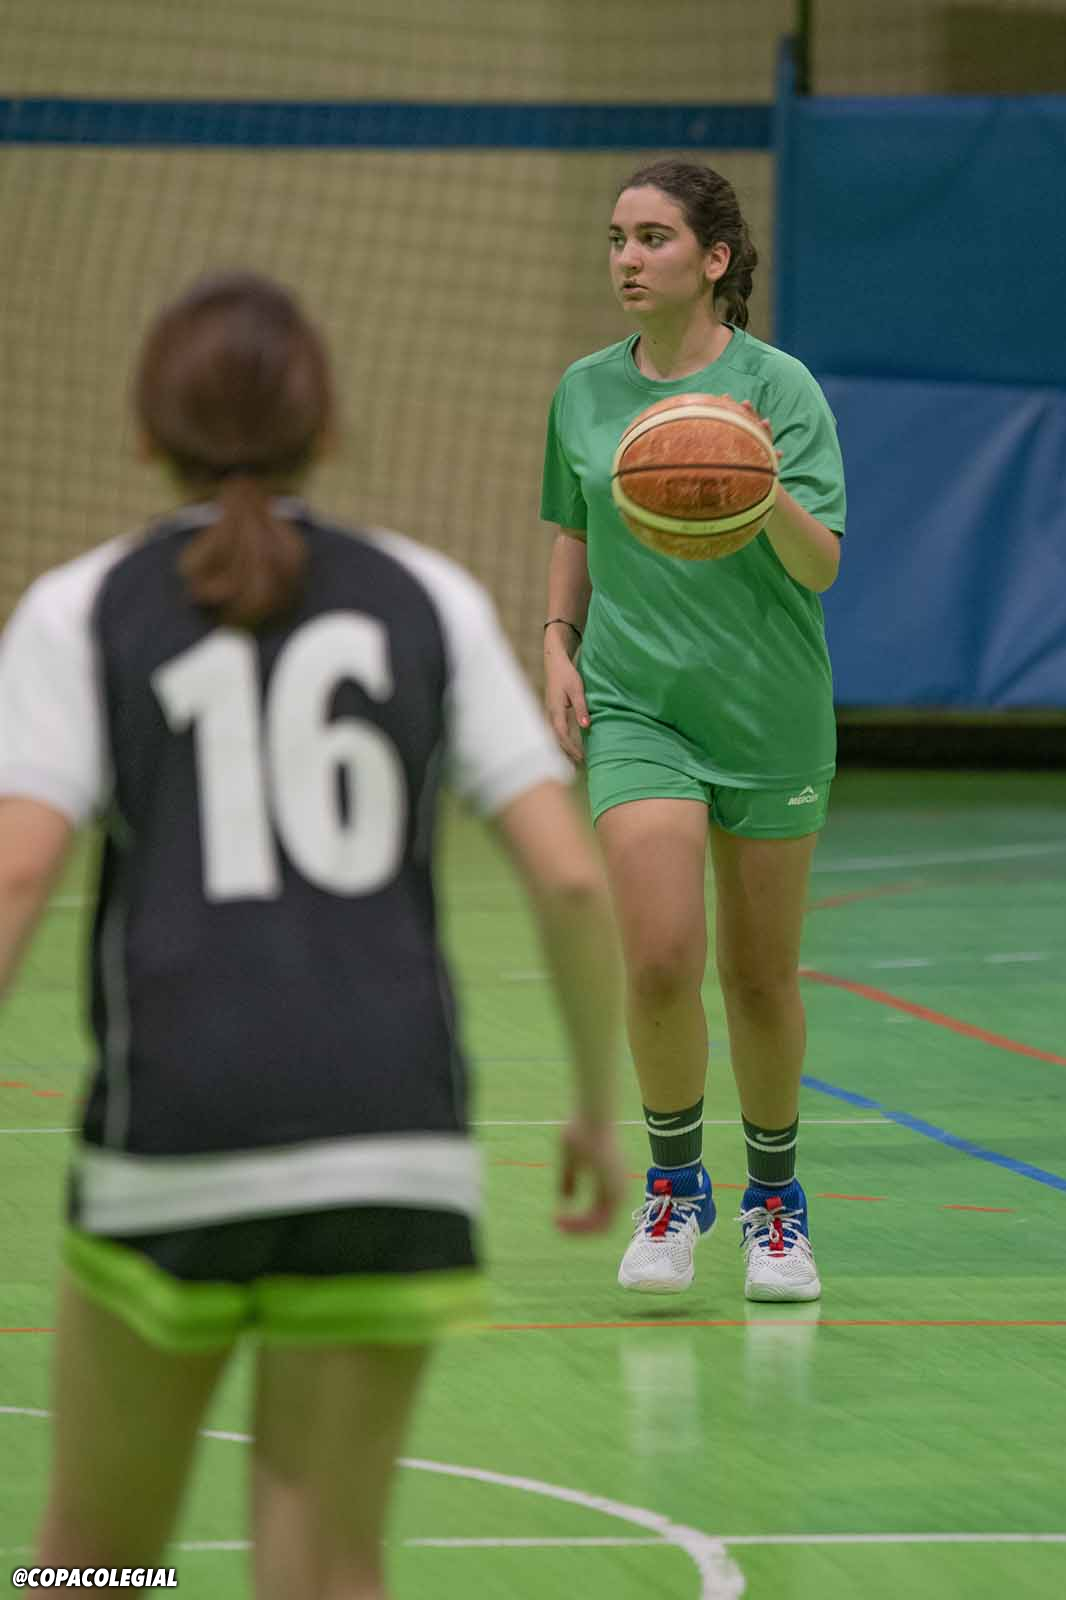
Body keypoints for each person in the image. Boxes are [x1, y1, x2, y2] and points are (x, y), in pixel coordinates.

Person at [0, 272, 626, 1598]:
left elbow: (15, 879)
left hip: (176, 1135)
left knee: (95, 1561)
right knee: (328, 1566)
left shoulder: (81, 608)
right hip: (389, 1140)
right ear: (327, 428)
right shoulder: (428, 598)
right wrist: (591, 1109)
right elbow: (573, 882)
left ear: (143, 432)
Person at [541, 161, 846, 1302]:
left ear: (714, 260)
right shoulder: (583, 391)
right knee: (661, 955)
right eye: (616, 237)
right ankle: (675, 1188)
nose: (627, 258)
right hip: (637, 703)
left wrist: (750, 479)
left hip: (768, 706)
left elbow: (821, 565)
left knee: (759, 977)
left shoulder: (780, 389)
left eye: (653, 238)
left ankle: (775, 1204)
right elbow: (574, 523)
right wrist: (556, 639)